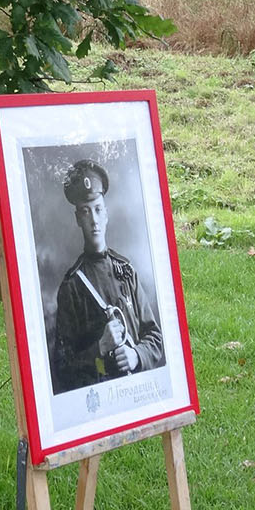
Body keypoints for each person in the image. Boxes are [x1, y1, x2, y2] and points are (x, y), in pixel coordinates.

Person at [47, 160, 164, 394]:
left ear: (106, 213)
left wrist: (136, 355)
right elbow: (62, 367)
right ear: (78, 219)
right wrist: (99, 347)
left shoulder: (126, 271)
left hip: (138, 391)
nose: (94, 219)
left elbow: (154, 336)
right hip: (98, 397)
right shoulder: (72, 286)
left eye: (98, 209)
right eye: (85, 211)